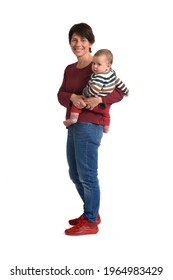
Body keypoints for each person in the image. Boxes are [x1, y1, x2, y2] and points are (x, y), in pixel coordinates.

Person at [57, 23, 127, 236]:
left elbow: (119, 92)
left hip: (90, 124)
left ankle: (90, 221)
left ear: (91, 43)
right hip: (73, 123)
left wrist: (99, 99)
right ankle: (91, 212)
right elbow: (60, 94)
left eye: (83, 40)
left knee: (87, 174)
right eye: (74, 40)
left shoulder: (99, 65)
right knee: (74, 173)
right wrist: (72, 97)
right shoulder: (69, 69)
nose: (78, 44)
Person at [63, 48, 129, 133]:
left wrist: (91, 95)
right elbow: (119, 83)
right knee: (106, 114)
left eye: (98, 64)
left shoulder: (98, 76)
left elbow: (96, 91)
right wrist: (126, 91)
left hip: (90, 122)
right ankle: (106, 126)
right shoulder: (111, 74)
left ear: (108, 65)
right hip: (78, 126)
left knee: (78, 104)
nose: (94, 66)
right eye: (93, 63)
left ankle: (73, 119)